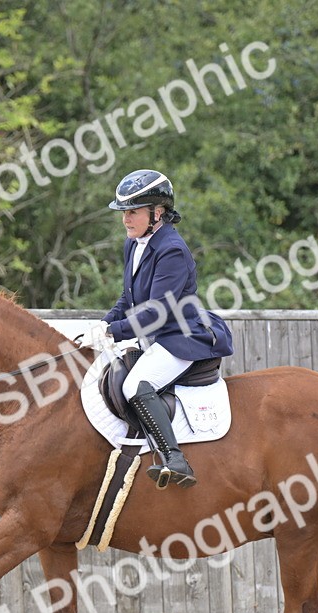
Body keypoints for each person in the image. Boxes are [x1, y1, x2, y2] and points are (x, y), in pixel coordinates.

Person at [85, 169, 234, 489]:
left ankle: (175, 459)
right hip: (157, 334)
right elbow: (128, 297)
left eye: (133, 212)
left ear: (158, 213)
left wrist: (116, 332)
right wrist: (105, 322)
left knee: (136, 385)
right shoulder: (134, 244)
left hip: (180, 336)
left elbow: (156, 312)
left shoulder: (172, 250)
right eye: (124, 212)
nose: (126, 219)